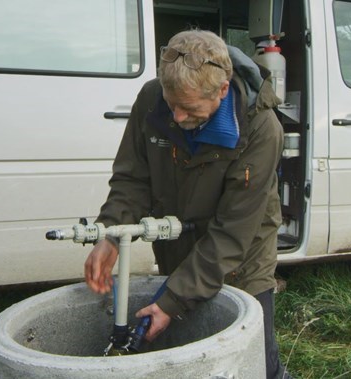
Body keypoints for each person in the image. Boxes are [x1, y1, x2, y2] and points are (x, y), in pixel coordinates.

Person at [84, 29, 291, 378]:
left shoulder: (261, 129)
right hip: (178, 246)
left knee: (254, 361)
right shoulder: (152, 99)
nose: (177, 118)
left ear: (222, 90)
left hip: (243, 257)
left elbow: (231, 234)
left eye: (189, 109)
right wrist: (110, 234)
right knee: (189, 354)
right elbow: (133, 178)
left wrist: (172, 300)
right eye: (171, 104)